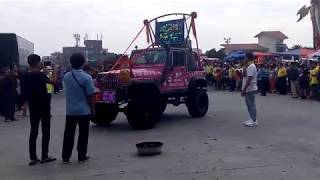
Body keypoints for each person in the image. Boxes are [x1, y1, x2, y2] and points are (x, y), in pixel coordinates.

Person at [21, 54, 56, 165]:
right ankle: (44, 156)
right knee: (45, 131)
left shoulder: (25, 75)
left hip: (33, 105)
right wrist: (53, 71)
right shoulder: (41, 75)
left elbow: (24, 91)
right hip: (44, 106)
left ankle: (33, 157)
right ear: (37, 62)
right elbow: (52, 84)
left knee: (34, 131)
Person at [62, 54, 95, 164]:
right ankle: (81, 156)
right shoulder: (87, 77)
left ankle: (66, 157)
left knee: (68, 134)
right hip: (83, 111)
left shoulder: (66, 76)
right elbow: (90, 95)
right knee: (83, 134)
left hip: (70, 111)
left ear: (71, 63)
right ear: (83, 63)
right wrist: (93, 109)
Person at [241, 53, 258, 127]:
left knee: (251, 105)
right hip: (248, 88)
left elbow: (249, 79)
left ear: (248, 58)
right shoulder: (248, 66)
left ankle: (253, 120)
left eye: (245, 57)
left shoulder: (251, 66)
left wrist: (244, 89)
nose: (244, 59)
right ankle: (252, 118)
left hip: (250, 88)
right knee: (249, 105)